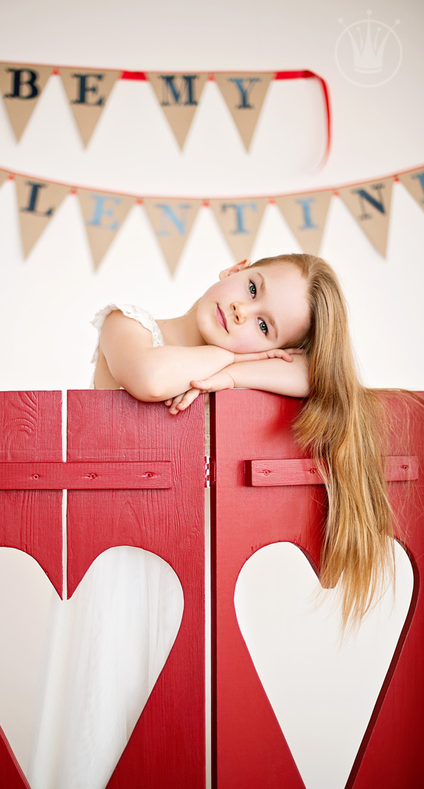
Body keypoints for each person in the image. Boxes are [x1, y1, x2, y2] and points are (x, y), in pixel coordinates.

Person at [93, 253, 395, 627]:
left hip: (190, 560)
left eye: (264, 326)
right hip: (117, 550)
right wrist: (231, 358)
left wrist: (234, 375)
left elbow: (320, 375)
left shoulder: (231, 372)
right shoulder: (127, 324)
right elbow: (151, 379)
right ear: (236, 269)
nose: (241, 312)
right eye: (252, 288)